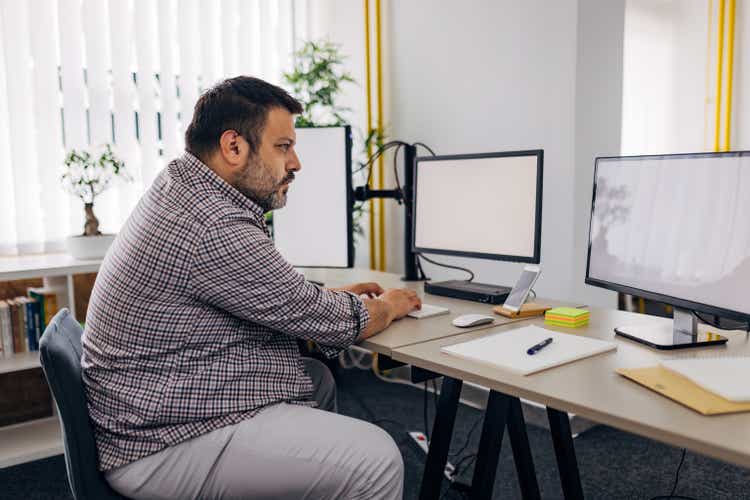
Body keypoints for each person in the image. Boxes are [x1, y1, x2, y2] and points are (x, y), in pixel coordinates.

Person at [81, 75, 421, 500]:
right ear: (233, 147)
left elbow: (264, 290)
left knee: (316, 380)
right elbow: (332, 324)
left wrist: (324, 301)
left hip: (155, 407)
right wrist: (389, 305)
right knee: (378, 460)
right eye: (283, 147)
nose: (295, 162)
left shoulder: (185, 188)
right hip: (162, 443)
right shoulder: (213, 222)